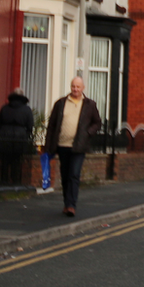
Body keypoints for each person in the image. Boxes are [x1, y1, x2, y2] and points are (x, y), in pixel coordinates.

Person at [43, 76, 102, 217]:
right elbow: (52, 125)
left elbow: (97, 123)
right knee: (65, 175)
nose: (75, 89)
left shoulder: (90, 105)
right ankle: (66, 202)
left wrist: (88, 132)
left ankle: (71, 205)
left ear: (83, 88)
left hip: (79, 146)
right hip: (63, 145)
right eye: (73, 86)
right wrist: (48, 145)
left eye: (78, 87)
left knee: (74, 175)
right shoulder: (61, 103)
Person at [0, 88, 33, 184]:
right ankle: (15, 182)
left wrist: (0, 136)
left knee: (4, 162)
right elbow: (30, 126)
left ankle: (3, 181)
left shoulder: (5, 108)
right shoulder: (27, 110)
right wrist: (25, 136)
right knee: (16, 162)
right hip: (20, 139)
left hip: (5, 138)